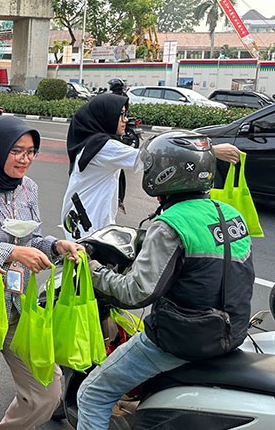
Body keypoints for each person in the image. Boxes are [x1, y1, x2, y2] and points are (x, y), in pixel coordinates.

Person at [76, 130, 255, 429]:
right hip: (231, 332)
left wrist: (94, 271)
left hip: (181, 339)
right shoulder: (231, 214)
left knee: (93, 393)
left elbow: (136, 292)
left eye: (152, 166)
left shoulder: (170, 224)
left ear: (166, 174)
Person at [0, 115, 82, 430]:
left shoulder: (29, 188)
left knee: (47, 392)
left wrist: (56, 245)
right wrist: (11, 253)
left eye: (31, 151)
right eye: (16, 151)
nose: (25, 159)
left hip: (20, 307)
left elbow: (32, 239)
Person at [61, 93, 240, 240]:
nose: (125, 119)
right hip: (88, 225)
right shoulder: (102, 147)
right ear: (105, 116)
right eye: (121, 115)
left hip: (84, 220)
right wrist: (212, 150)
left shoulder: (92, 144)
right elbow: (150, 157)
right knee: (87, 278)